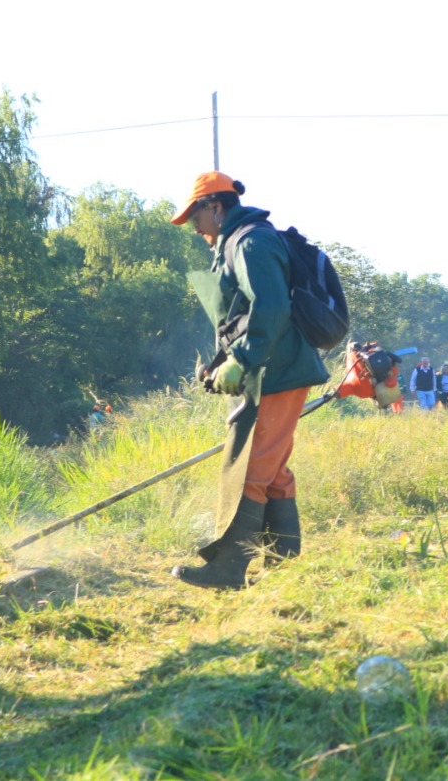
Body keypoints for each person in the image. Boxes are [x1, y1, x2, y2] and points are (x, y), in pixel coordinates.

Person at [169, 172, 329, 589]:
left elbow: (271, 307)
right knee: (272, 471)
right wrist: (221, 362)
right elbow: (240, 316)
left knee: (252, 468)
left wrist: (241, 358)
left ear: (216, 207)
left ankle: (228, 570)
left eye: (195, 217)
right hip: (269, 369)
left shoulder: (250, 241)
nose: (193, 228)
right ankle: (283, 570)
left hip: (279, 370)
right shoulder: (233, 245)